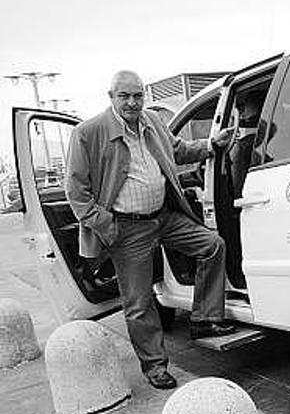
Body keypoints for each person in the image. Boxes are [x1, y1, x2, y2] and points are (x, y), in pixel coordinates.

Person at [65, 70, 236, 389]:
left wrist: (212, 144)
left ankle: (203, 319)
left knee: (212, 245)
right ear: (111, 97)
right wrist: (107, 226)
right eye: (124, 96)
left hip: (163, 216)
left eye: (137, 95)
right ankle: (155, 365)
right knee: (139, 303)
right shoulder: (88, 132)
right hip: (126, 228)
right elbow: (75, 192)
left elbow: (179, 150)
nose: (132, 102)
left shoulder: (152, 122)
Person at [216, 92, 262, 289]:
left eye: (243, 106)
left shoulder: (242, 148)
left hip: (246, 207)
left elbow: (237, 191)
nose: (239, 110)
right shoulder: (259, 145)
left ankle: (237, 277)